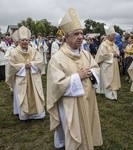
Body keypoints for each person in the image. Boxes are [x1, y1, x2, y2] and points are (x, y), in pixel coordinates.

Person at [47, 8, 103, 150]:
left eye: (81, 33)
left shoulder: (85, 53)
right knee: (74, 130)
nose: (80, 37)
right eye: (76, 34)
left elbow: (96, 68)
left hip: (88, 99)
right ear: (66, 37)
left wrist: (92, 73)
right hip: (70, 104)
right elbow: (56, 85)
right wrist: (77, 77)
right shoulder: (57, 59)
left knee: (88, 124)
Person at [6, 26, 45, 121]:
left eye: (26, 40)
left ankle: (37, 114)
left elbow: (40, 61)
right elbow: (11, 65)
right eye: (22, 40)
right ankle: (24, 115)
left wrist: (31, 64)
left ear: (28, 41)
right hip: (21, 78)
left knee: (35, 94)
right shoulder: (14, 52)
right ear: (19, 41)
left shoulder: (33, 50)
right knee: (21, 95)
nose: (24, 42)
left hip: (33, 77)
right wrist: (23, 66)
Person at [95, 25, 121, 100]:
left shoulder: (113, 44)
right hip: (107, 65)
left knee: (114, 77)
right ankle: (108, 91)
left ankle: (113, 89)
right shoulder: (103, 45)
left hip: (114, 63)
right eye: (113, 35)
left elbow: (117, 50)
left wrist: (117, 53)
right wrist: (112, 55)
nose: (114, 36)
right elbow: (102, 55)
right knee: (108, 78)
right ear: (109, 36)